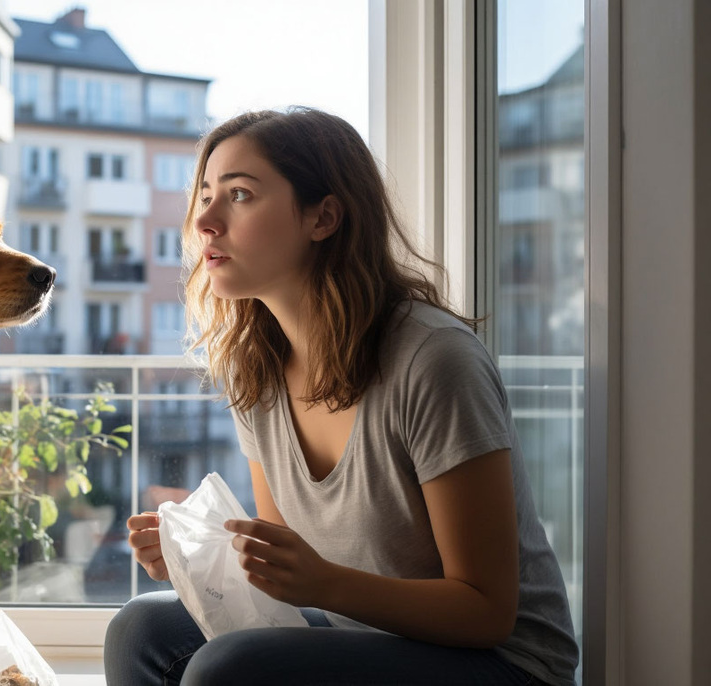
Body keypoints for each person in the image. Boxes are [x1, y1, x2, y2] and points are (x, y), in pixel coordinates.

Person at [103, 107, 579, 685]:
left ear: (323, 217)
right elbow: (284, 571)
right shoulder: (258, 369)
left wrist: (323, 584)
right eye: (204, 195)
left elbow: (486, 611)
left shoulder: (432, 360)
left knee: (231, 669)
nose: (206, 221)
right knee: (141, 629)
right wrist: (194, 556)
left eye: (241, 195)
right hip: (360, 630)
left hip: (501, 664)